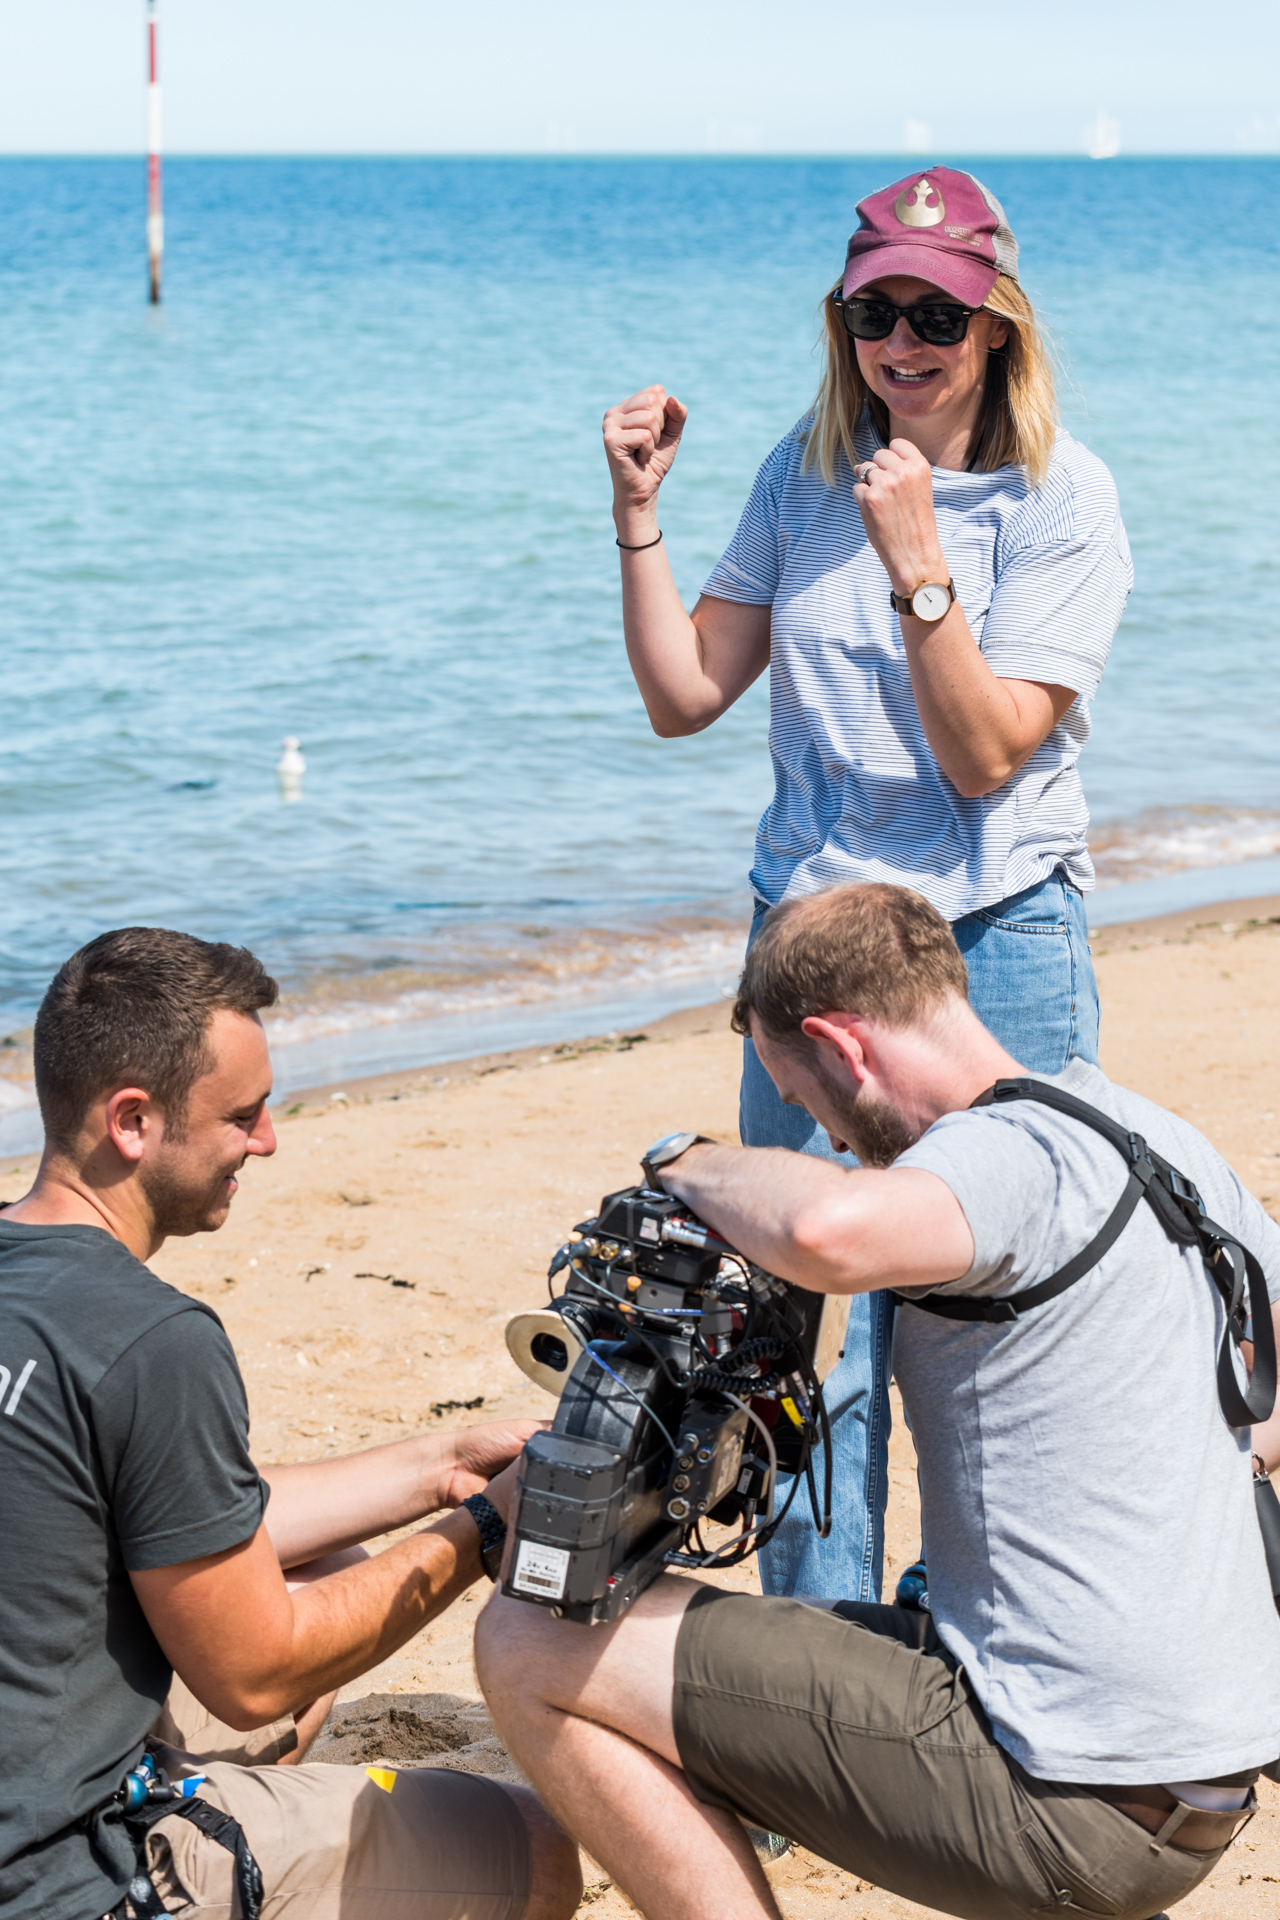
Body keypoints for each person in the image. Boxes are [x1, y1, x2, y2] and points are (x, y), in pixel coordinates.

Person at [474, 882, 1280, 1920]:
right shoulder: (1141, 1129)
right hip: (1195, 1774)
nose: (832, 1142)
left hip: (1069, 1793)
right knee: (745, 1647)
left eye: (805, 1106)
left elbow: (829, 1232)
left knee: (529, 1638)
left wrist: (686, 1159)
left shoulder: (996, 1152)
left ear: (842, 1048)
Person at [602, 165, 1134, 1599]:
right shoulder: (802, 471)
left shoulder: (1062, 499)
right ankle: (823, 1665)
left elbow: (982, 755)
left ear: (996, 327)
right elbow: (683, 695)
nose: (902, 342)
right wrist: (637, 516)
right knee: (806, 1341)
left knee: (998, 1317)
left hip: (990, 945)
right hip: (812, 955)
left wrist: (919, 565)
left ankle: (997, 1640)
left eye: (936, 316)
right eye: (872, 313)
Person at [0, 927, 580, 1920]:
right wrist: (485, 1526)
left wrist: (441, 1464)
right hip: (55, 1876)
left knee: (319, 1563)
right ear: (133, 1120)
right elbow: (255, 1676)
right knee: (534, 1848)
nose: (267, 1141)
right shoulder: (151, 1339)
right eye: (242, 1116)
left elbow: (168, 1508)